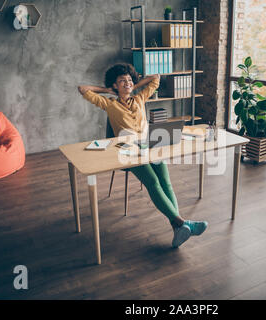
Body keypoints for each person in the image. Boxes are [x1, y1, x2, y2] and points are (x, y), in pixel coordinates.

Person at [78, 63, 207, 248]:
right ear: (114, 86)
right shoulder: (109, 104)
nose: (127, 83)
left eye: (129, 80)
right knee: (153, 182)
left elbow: (156, 78)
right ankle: (182, 224)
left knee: (166, 183)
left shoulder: (139, 98)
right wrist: (106, 90)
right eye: (122, 81)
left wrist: (133, 85)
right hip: (128, 152)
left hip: (151, 146)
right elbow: (82, 89)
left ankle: (179, 227)